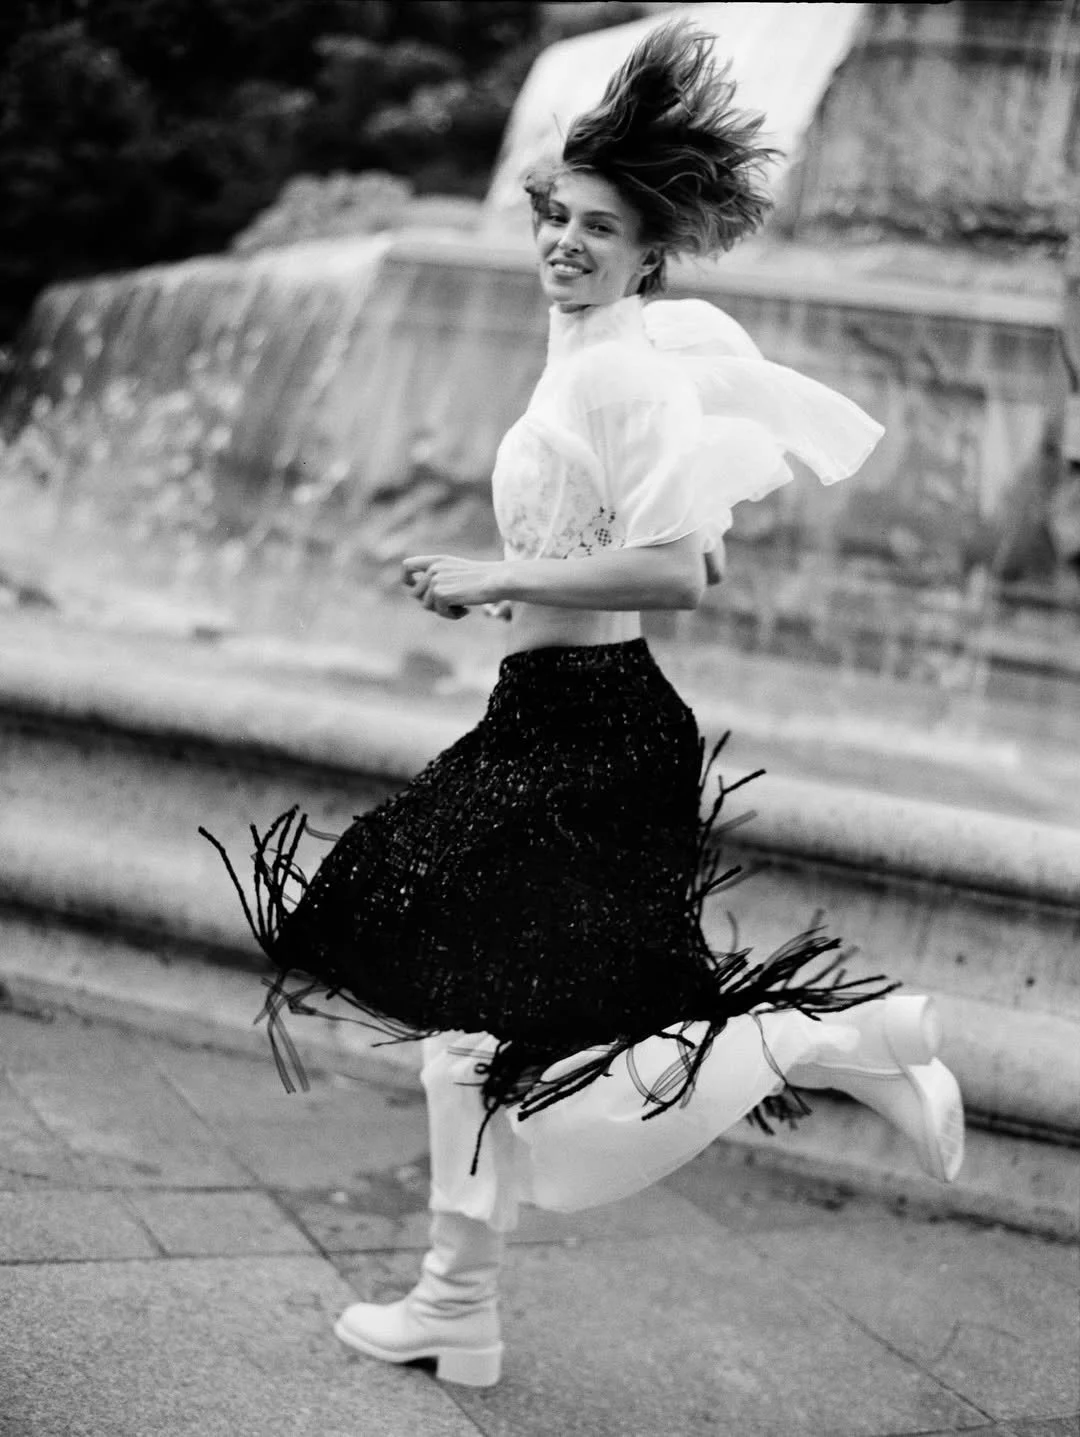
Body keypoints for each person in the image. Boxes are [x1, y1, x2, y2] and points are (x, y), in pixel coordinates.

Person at [203, 21, 964, 1392]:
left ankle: (840, 1042)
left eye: (600, 228)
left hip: (592, 724)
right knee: (476, 1030)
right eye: (559, 214)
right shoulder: (610, 352)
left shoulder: (620, 364)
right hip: (560, 707)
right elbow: (706, 540)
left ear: (646, 249)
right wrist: (542, 580)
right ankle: (456, 1303)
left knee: (389, 923)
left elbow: (681, 575)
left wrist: (501, 573)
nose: (565, 239)